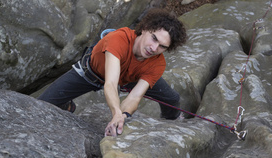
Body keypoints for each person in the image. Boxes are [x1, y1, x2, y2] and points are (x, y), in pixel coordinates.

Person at [38, 8, 187, 136]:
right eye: (154, 39)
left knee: (172, 99)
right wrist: (115, 112)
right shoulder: (118, 39)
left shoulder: (157, 63)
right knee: (41, 104)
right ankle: (67, 106)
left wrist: (121, 117)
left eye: (162, 46)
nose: (154, 48)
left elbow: (135, 96)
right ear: (145, 28)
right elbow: (111, 83)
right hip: (92, 73)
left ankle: (171, 123)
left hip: (129, 78)